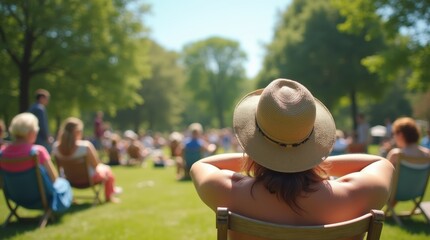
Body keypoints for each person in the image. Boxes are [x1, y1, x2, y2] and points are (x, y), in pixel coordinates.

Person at [190, 79, 394, 240]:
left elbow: (201, 164)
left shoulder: (229, 192)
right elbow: (381, 163)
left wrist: (266, 155)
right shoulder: (352, 196)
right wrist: (311, 161)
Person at [0, 113, 72, 211]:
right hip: (39, 197)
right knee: (64, 183)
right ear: (30, 132)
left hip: (15, 197)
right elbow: (54, 178)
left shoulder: (2, 153)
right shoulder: (37, 151)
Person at [52, 117, 122, 203]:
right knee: (107, 170)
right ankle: (109, 196)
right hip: (89, 179)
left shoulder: (56, 148)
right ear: (77, 132)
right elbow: (96, 165)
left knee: (105, 169)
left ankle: (71, 198)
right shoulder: (85, 147)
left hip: (69, 179)